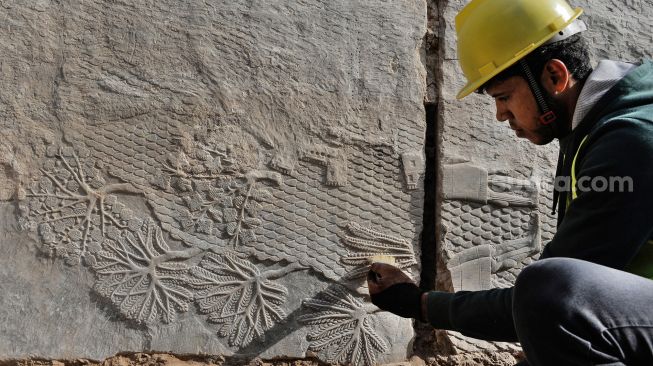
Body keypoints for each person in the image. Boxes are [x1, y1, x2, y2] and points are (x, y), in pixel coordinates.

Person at [367, 0, 653, 365]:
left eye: (503, 97)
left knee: (545, 289)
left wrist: (420, 303)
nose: (501, 114)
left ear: (554, 76)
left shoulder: (632, 142)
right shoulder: (596, 127)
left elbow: (553, 299)